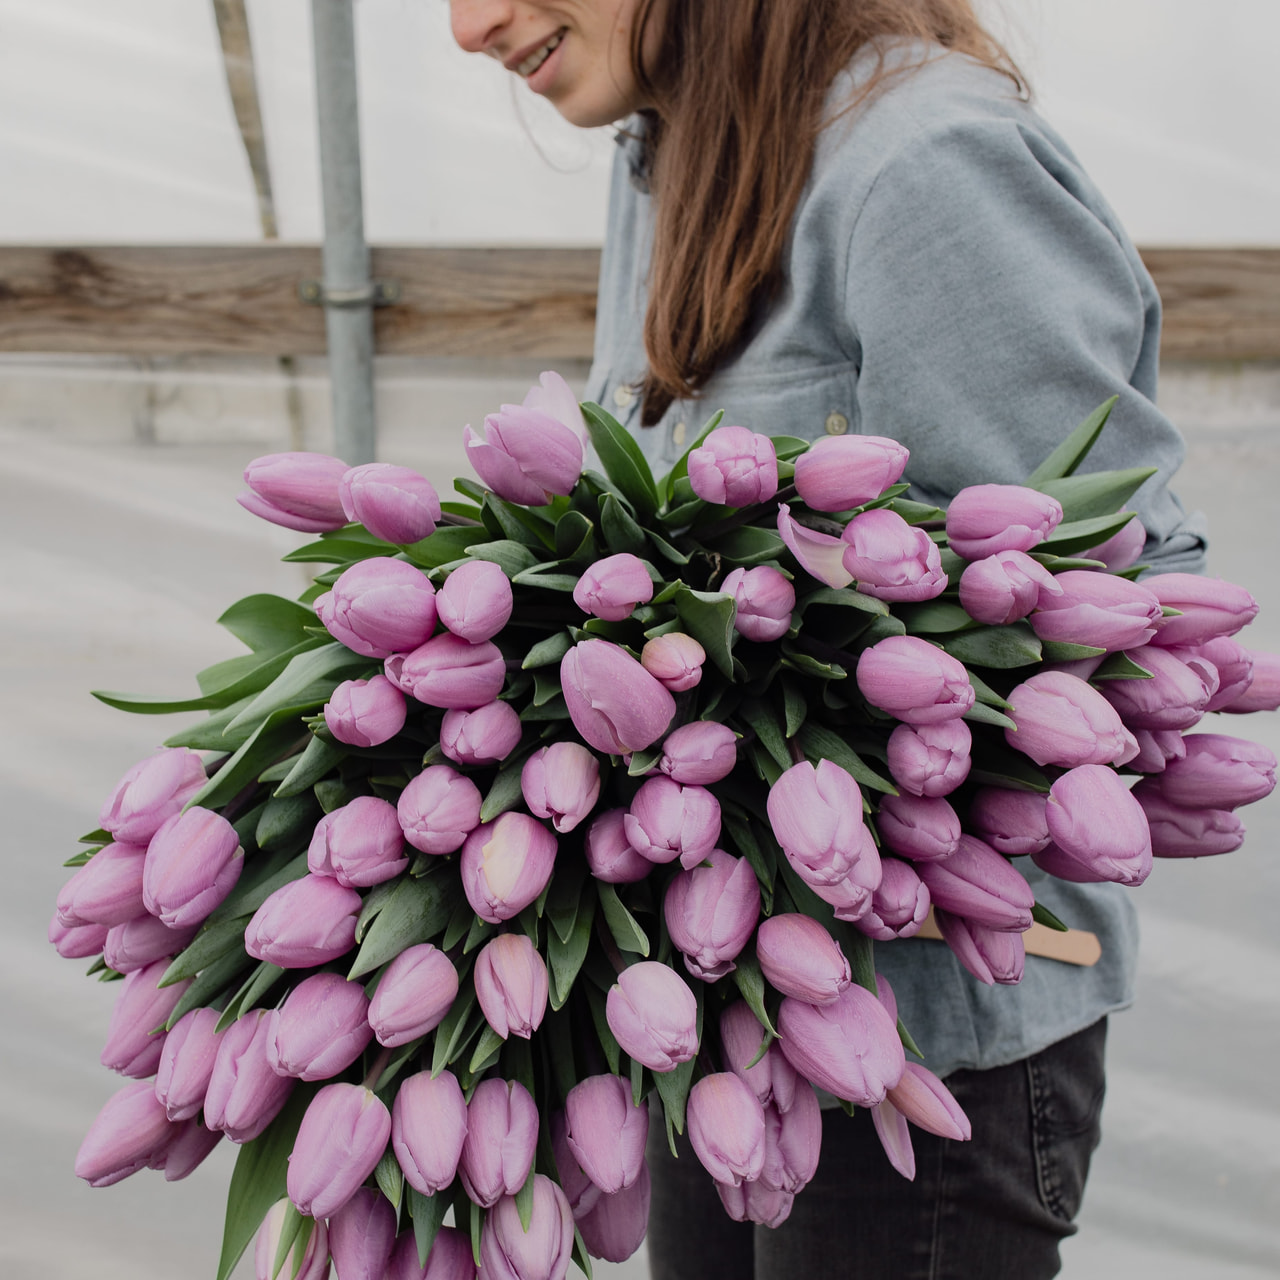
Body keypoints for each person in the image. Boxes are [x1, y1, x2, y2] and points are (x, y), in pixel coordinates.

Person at [449, 3, 1207, 1277]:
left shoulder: (920, 165)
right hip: (720, 1004)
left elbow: (1123, 606)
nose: (469, 24)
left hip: (911, 1038)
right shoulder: (675, 138)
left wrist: (790, 726)